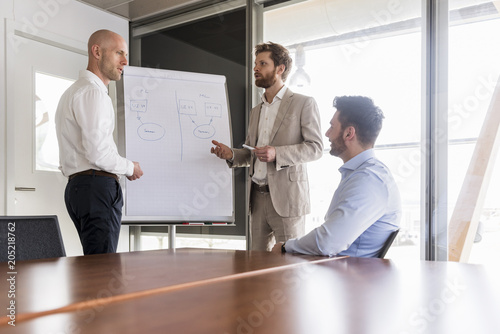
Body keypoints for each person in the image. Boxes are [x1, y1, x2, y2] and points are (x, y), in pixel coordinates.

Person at [210, 42, 323, 251]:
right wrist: (231, 154)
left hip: (288, 200)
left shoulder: (303, 103)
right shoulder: (256, 111)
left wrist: (277, 153)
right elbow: (252, 153)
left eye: (263, 63)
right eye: (256, 64)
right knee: (257, 267)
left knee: (290, 265)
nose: (256, 68)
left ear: (280, 69)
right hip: (257, 199)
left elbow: (315, 148)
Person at [273, 96, 401, 257]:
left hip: (350, 276)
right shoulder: (365, 174)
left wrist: (286, 247)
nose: (327, 134)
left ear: (349, 133)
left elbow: (328, 242)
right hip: (343, 271)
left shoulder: (369, 180)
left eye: (332, 127)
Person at [55, 30, 143, 255]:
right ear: (97, 51)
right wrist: (129, 167)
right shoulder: (93, 93)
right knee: (102, 269)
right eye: (119, 53)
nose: (125, 61)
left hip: (80, 188)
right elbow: (98, 154)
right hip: (97, 188)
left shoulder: (72, 92)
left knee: (94, 267)